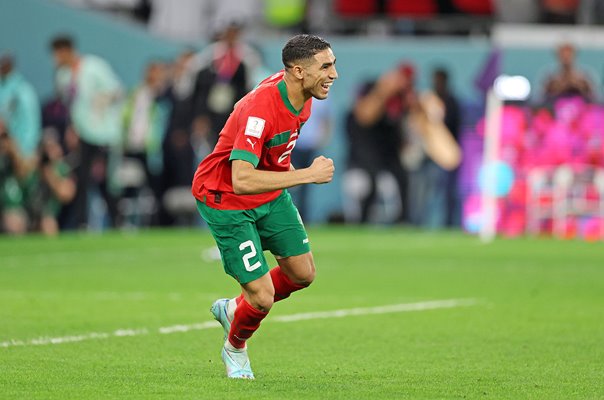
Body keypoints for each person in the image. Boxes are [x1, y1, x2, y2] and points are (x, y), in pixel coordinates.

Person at [191, 34, 337, 379]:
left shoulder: (303, 93)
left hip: (268, 193)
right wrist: (305, 175)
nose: (334, 74)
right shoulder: (261, 109)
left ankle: (232, 309)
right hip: (226, 198)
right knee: (262, 298)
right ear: (299, 71)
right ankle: (235, 347)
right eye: (326, 67)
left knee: (303, 274)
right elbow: (241, 179)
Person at [50, 35, 123, 229]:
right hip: (82, 134)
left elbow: (116, 90)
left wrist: (101, 103)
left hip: (103, 133)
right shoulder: (62, 76)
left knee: (107, 180)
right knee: (81, 178)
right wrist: (71, 128)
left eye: (57, 54)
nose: (55, 59)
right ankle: (82, 223)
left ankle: (117, 222)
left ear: (66, 51)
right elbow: (68, 106)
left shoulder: (95, 66)